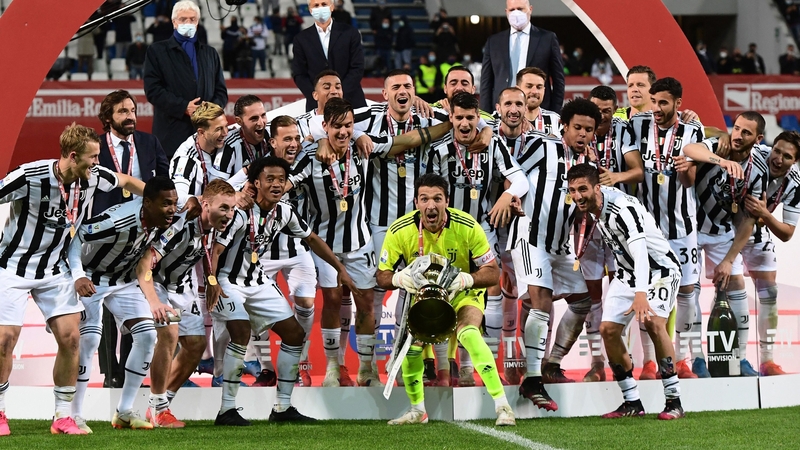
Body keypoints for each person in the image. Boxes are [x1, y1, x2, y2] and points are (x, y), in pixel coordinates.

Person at [289, 98, 454, 387]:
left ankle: (366, 369)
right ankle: (331, 367)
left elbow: (409, 139)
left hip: (360, 241)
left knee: (366, 302)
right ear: (324, 125)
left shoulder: (363, 147)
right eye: (337, 126)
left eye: (348, 126)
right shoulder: (309, 156)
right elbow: (286, 184)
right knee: (330, 301)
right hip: (325, 246)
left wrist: (452, 124)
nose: (343, 132)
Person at [0, 124, 141, 436]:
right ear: (73, 156)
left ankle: (63, 416)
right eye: (92, 157)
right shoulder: (29, 175)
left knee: (71, 338)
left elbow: (127, 180)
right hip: (12, 267)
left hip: (55, 270)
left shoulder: (93, 177)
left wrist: (159, 195)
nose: (97, 163)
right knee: (4, 340)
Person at [377, 173, 515, 427]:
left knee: (469, 333)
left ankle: (502, 406)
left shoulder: (467, 225)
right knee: (411, 346)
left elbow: (493, 272)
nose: (431, 205)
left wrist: (466, 279)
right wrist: (398, 279)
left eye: (437, 198)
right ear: (416, 202)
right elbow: (381, 276)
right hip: (423, 297)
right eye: (424, 199)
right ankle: (418, 410)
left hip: (462, 293)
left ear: (447, 201)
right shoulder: (399, 230)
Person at [207, 157, 333, 425]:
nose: (276, 184)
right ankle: (226, 410)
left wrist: (339, 268)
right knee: (240, 333)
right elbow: (215, 249)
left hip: (258, 281)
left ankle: (282, 408)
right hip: (228, 282)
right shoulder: (239, 212)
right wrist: (212, 281)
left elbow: (310, 238)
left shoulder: (285, 211)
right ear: (256, 183)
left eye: (280, 179)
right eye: (269, 179)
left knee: (295, 333)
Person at [566, 163, 685, 420]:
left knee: (654, 324)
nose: (577, 196)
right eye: (573, 190)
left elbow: (641, 252)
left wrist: (641, 293)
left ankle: (674, 401)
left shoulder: (623, 208)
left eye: (583, 189)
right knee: (608, 330)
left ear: (598, 187)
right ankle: (632, 402)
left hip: (659, 271)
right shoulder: (591, 206)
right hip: (627, 274)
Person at [427, 92, 528, 386]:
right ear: (452, 118)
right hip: (447, 231)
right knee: (443, 294)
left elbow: (520, 178)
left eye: (471, 117)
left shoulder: (492, 143)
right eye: (459, 117)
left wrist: (508, 195)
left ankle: (481, 367)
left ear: (478, 118)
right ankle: (447, 370)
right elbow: (430, 195)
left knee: (490, 290)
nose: (465, 123)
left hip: (482, 228)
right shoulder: (439, 150)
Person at [509, 98, 600, 408]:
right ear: (565, 126)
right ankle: (532, 380)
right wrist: (510, 197)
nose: (583, 134)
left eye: (589, 129)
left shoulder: (588, 165)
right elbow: (509, 169)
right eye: (577, 127)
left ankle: (551, 363)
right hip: (529, 237)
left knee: (582, 301)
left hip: (560, 246)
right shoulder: (541, 145)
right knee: (542, 303)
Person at [69, 176, 178, 432]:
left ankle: (125, 412)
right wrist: (78, 275)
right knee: (89, 341)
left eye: (174, 203)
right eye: (166, 204)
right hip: (92, 279)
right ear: (147, 203)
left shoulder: (164, 221)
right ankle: (74, 415)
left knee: (148, 336)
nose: (172, 209)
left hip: (124, 281)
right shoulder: (117, 221)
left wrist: (153, 300)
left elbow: (145, 258)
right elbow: (77, 236)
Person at [141, 179, 236, 427]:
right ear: (205, 205)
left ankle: (159, 406)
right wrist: (152, 298)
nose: (229, 215)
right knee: (169, 335)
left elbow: (204, 253)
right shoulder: (182, 224)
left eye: (232, 209)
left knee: (195, 345)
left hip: (181, 288)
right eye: (224, 208)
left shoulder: (215, 226)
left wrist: (212, 279)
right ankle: (159, 409)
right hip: (157, 284)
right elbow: (150, 257)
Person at [628, 77, 706, 379]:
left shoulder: (692, 130)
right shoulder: (637, 126)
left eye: (663, 102)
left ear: (678, 104)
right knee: (647, 291)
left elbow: (691, 181)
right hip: (648, 229)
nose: (657, 108)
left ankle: (682, 359)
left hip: (683, 226)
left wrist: (687, 170)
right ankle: (649, 361)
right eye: (654, 101)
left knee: (687, 292)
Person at [682, 111, 769, 378]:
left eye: (746, 132)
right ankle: (696, 359)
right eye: (737, 128)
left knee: (736, 283)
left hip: (722, 230)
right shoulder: (719, 144)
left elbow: (747, 219)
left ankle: (739, 358)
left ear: (758, 138)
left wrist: (730, 258)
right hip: (691, 229)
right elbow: (689, 148)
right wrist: (721, 159)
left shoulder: (758, 171)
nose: (738, 136)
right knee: (691, 289)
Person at [93, 90, 169, 389]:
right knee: (105, 308)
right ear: (108, 116)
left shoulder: (150, 142)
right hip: (103, 234)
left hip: (140, 232)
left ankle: (125, 373)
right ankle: (109, 373)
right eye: (123, 111)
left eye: (133, 110)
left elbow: (164, 183)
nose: (131, 116)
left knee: (132, 303)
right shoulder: (96, 146)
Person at [579, 85, 643, 382]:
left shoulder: (622, 129)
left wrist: (616, 176)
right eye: (597, 110)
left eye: (607, 110)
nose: (602, 116)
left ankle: (623, 356)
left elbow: (638, 170)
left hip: (617, 225)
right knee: (594, 297)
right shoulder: (581, 127)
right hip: (586, 226)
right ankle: (596, 363)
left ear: (614, 108)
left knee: (622, 292)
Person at [741, 132, 800, 376]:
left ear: (794, 162)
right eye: (777, 151)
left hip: (758, 235)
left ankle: (767, 361)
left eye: (787, 156)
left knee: (769, 292)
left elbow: (787, 233)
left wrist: (765, 215)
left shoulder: (796, 182)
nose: (777, 159)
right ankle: (734, 358)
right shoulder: (754, 154)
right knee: (727, 292)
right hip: (726, 231)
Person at [144, 0, 228, 159]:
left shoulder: (210, 53)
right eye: (183, 19)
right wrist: (183, 107)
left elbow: (221, 91)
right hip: (171, 135)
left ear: (197, 22)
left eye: (192, 19)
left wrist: (209, 111)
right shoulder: (157, 51)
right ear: (174, 22)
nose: (188, 23)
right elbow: (153, 90)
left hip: (207, 136)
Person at [481, 0, 565, 114]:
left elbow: (558, 79)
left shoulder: (547, 38)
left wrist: (554, 112)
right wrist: (486, 114)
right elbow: (486, 81)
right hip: (501, 110)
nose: (516, 13)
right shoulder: (494, 41)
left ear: (530, 9)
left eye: (520, 9)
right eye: (512, 10)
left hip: (538, 111)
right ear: (506, 12)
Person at [291, 0, 366, 111]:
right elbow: (299, 73)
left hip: (352, 102)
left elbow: (357, 67)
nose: (320, 8)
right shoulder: (301, 39)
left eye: (324, 4)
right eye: (316, 5)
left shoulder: (351, 33)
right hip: (317, 106)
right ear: (310, 10)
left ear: (332, 7)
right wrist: (317, 95)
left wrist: (339, 93)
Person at [516, 67, 561, 136]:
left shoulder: (556, 121)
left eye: (539, 87)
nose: (534, 91)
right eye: (529, 86)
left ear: (544, 90)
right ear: (517, 90)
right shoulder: (502, 119)